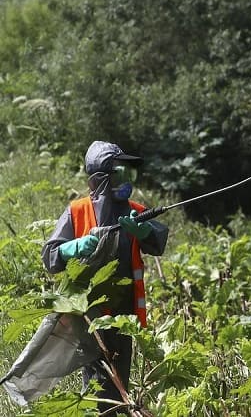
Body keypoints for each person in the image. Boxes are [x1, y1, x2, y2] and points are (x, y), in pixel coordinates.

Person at [42, 141, 169, 412]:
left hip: (124, 318)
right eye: (120, 173)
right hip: (90, 316)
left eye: (129, 174)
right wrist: (71, 247)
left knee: (120, 381)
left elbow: (158, 241)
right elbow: (50, 257)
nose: (126, 181)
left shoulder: (135, 209)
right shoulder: (77, 212)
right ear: (100, 179)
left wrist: (145, 232)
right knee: (99, 384)